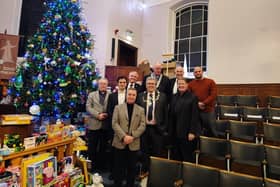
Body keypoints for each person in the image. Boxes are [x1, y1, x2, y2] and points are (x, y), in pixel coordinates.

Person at [112, 88, 146, 187]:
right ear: (126, 95)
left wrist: (132, 136)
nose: (131, 96)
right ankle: (117, 184)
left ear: (136, 97)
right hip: (119, 142)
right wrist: (123, 136)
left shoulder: (140, 109)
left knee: (131, 168)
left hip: (133, 143)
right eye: (129, 94)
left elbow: (143, 125)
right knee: (118, 167)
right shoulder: (118, 108)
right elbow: (114, 123)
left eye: (133, 95)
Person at [137, 76, 168, 172]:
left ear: (156, 85)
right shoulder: (140, 96)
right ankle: (145, 170)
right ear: (146, 85)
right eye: (149, 84)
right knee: (144, 151)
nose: (151, 85)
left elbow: (166, 113)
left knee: (157, 151)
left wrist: (163, 128)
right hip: (144, 128)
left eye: (152, 84)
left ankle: (155, 172)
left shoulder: (163, 96)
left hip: (157, 129)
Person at [169, 78, 201, 162]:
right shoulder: (174, 96)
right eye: (179, 84)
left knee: (187, 156)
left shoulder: (193, 97)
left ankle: (187, 174)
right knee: (176, 155)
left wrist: (192, 132)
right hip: (175, 132)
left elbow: (195, 116)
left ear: (187, 85)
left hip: (187, 133)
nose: (181, 85)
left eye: (183, 84)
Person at [86, 78, 110, 171]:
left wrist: (106, 114)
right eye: (101, 84)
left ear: (107, 85)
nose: (103, 85)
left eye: (104, 84)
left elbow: (112, 107)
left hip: (105, 125)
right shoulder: (92, 95)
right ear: (98, 85)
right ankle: (92, 166)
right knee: (92, 146)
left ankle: (101, 166)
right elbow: (88, 107)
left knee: (103, 147)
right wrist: (98, 115)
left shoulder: (111, 95)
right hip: (94, 124)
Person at [106, 76, 128, 176]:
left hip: (127, 128)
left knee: (125, 152)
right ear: (117, 84)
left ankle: (123, 173)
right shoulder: (112, 96)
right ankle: (113, 172)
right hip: (114, 127)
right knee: (113, 151)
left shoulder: (130, 95)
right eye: (120, 82)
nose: (122, 84)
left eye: (124, 82)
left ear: (126, 84)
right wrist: (115, 124)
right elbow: (109, 111)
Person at [188, 66, 217, 137]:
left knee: (211, 129)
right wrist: (197, 104)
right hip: (196, 111)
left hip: (208, 111)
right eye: (195, 72)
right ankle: (200, 146)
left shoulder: (210, 82)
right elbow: (189, 96)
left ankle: (214, 146)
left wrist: (203, 103)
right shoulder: (191, 84)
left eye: (199, 71)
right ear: (193, 73)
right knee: (198, 131)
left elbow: (213, 95)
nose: (197, 73)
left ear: (202, 72)